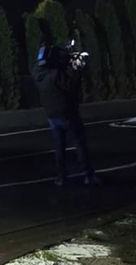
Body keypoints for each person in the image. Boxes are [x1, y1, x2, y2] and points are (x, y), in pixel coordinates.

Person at [32, 42, 97, 186]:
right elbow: (72, 83)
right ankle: (88, 175)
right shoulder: (57, 75)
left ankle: (61, 177)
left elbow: (45, 65)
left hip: (52, 115)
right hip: (68, 113)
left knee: (59, 147)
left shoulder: (38, 74)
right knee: (79, 144)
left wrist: (64, 55)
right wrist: (76, 67)